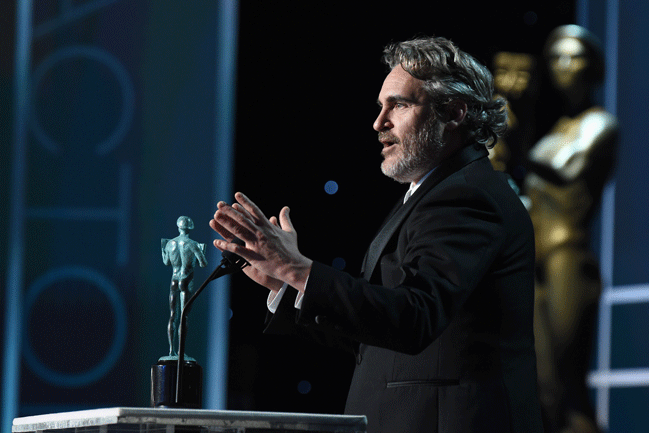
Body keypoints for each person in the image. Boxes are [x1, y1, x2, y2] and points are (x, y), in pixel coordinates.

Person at [210, 36, 543, 433]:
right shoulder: (432, 193)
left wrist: (299, 269)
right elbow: (376, 335)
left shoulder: (466, 196)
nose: (378, 122)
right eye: (380, 106)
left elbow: (415, 316)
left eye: (398, 105)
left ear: (453, 113)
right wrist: (289, 283)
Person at [525, 25, 617, 433]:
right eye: (556, 56)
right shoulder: (554, 130)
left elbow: (566, 165)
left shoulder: (600, 123)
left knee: (568, 385)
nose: (563, 65)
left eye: (573, 56)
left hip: (568, 257)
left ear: (592, 66)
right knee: (544, 389)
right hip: (535, 259)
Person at [162, 216, 208, 358]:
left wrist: (163, 250)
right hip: (186, 279)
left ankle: (171, 350)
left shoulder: (170, 244)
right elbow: (203, 263)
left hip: (174, 279)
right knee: (184, 316)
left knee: (172, 315)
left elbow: (166, 262)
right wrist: (202, 250)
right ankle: (180, 351)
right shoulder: (193, 244)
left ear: (178, 227)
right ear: (190, 227)